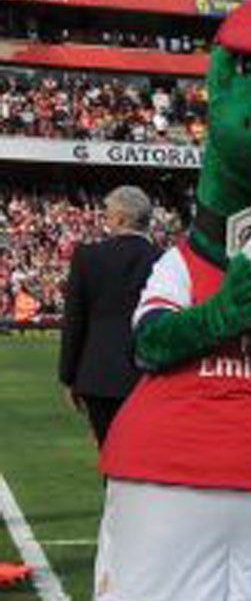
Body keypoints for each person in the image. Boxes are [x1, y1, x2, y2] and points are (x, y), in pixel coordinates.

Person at [57, 185, 157, 447]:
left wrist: (67, 377)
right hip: (148, 374)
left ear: (122, 219)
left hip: (97, 376)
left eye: (108, 214)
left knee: (110, 454)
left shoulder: (87, 257)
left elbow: (74, 321)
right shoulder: (164, 260)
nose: (106, 220)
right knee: (143, 453)